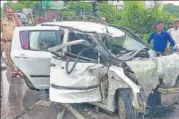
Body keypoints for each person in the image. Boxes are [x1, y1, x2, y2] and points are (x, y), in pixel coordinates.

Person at [1, 8, 23, 77]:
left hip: (15, 42)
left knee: (17, 56)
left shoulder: (16, 20)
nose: (10, 13)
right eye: (8, 12)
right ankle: (13, 71)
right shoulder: (2, 21)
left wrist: (16, 17)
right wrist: (1, 39)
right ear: (5, 13)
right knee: (8, 58)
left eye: (11, 12)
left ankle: (19, 71)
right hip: (6, 42)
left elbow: (21, 27)